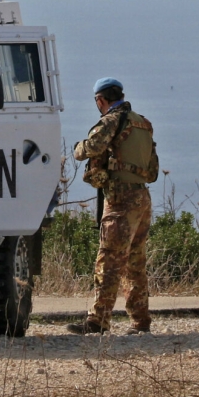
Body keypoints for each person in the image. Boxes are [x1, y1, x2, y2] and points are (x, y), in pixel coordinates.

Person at [67, 78, 159, 335]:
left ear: (101, 100)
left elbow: (92, 147)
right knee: (134, 263)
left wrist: (78, 149)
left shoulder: (110, 120)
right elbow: (152, 172)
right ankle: (141, 322)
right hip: (142, 197)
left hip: (120, 200)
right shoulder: (143, 123)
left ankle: (98, 321)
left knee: (108, 261)